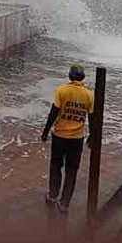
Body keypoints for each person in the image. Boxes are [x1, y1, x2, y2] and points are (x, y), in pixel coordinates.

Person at [41, 65, 96, 214]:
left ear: (69, 76)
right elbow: (92, 118)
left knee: (55, 166)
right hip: (77, 139)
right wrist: (92, 135)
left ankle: (52, 195)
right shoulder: (89, 95)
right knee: (72, 170)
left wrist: (45, 132)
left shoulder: (61, 90)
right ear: (83, 78)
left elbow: (54, 113)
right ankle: (65, 203)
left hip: (59, 136)